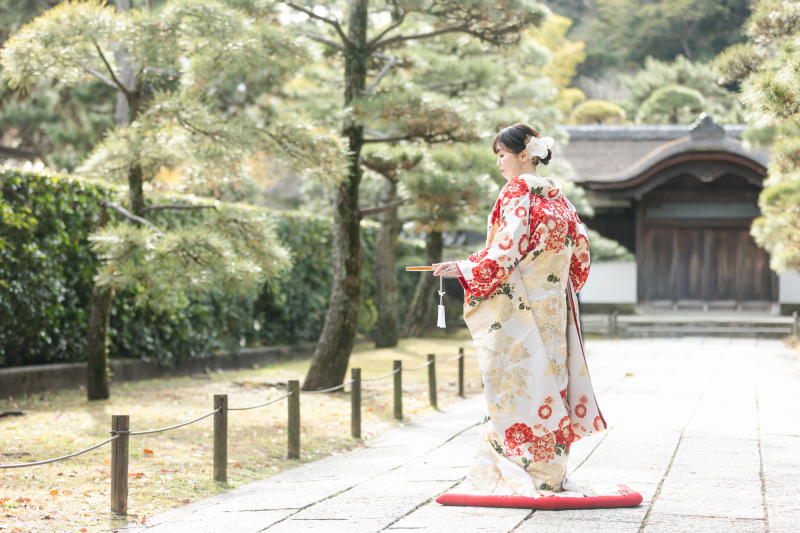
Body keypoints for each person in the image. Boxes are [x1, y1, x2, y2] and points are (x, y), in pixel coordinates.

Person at [433, 123, 606, 497]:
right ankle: (551, 474)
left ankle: (509, 470)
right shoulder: (562, 200)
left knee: (517, 384)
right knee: (552, 384)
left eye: (502, 155)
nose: (499, 164)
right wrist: (555, 284)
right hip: (554, 308)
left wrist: (463, 268)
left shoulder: (517, 193)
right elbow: (581, 258)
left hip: (522, 307)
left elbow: (505, 250)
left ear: (523, 155)